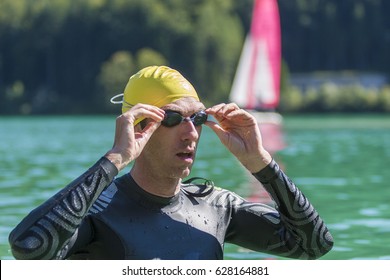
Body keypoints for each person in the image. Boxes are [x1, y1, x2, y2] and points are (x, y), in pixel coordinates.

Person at [9, 66, 333, 260]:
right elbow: (29, 247)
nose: (191, 132)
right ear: (139, 127)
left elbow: (315, 244)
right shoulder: (97, 212)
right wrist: (114, 159)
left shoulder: (217, 208)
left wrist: (260, 162)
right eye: (174, 118)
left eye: (199, 118)